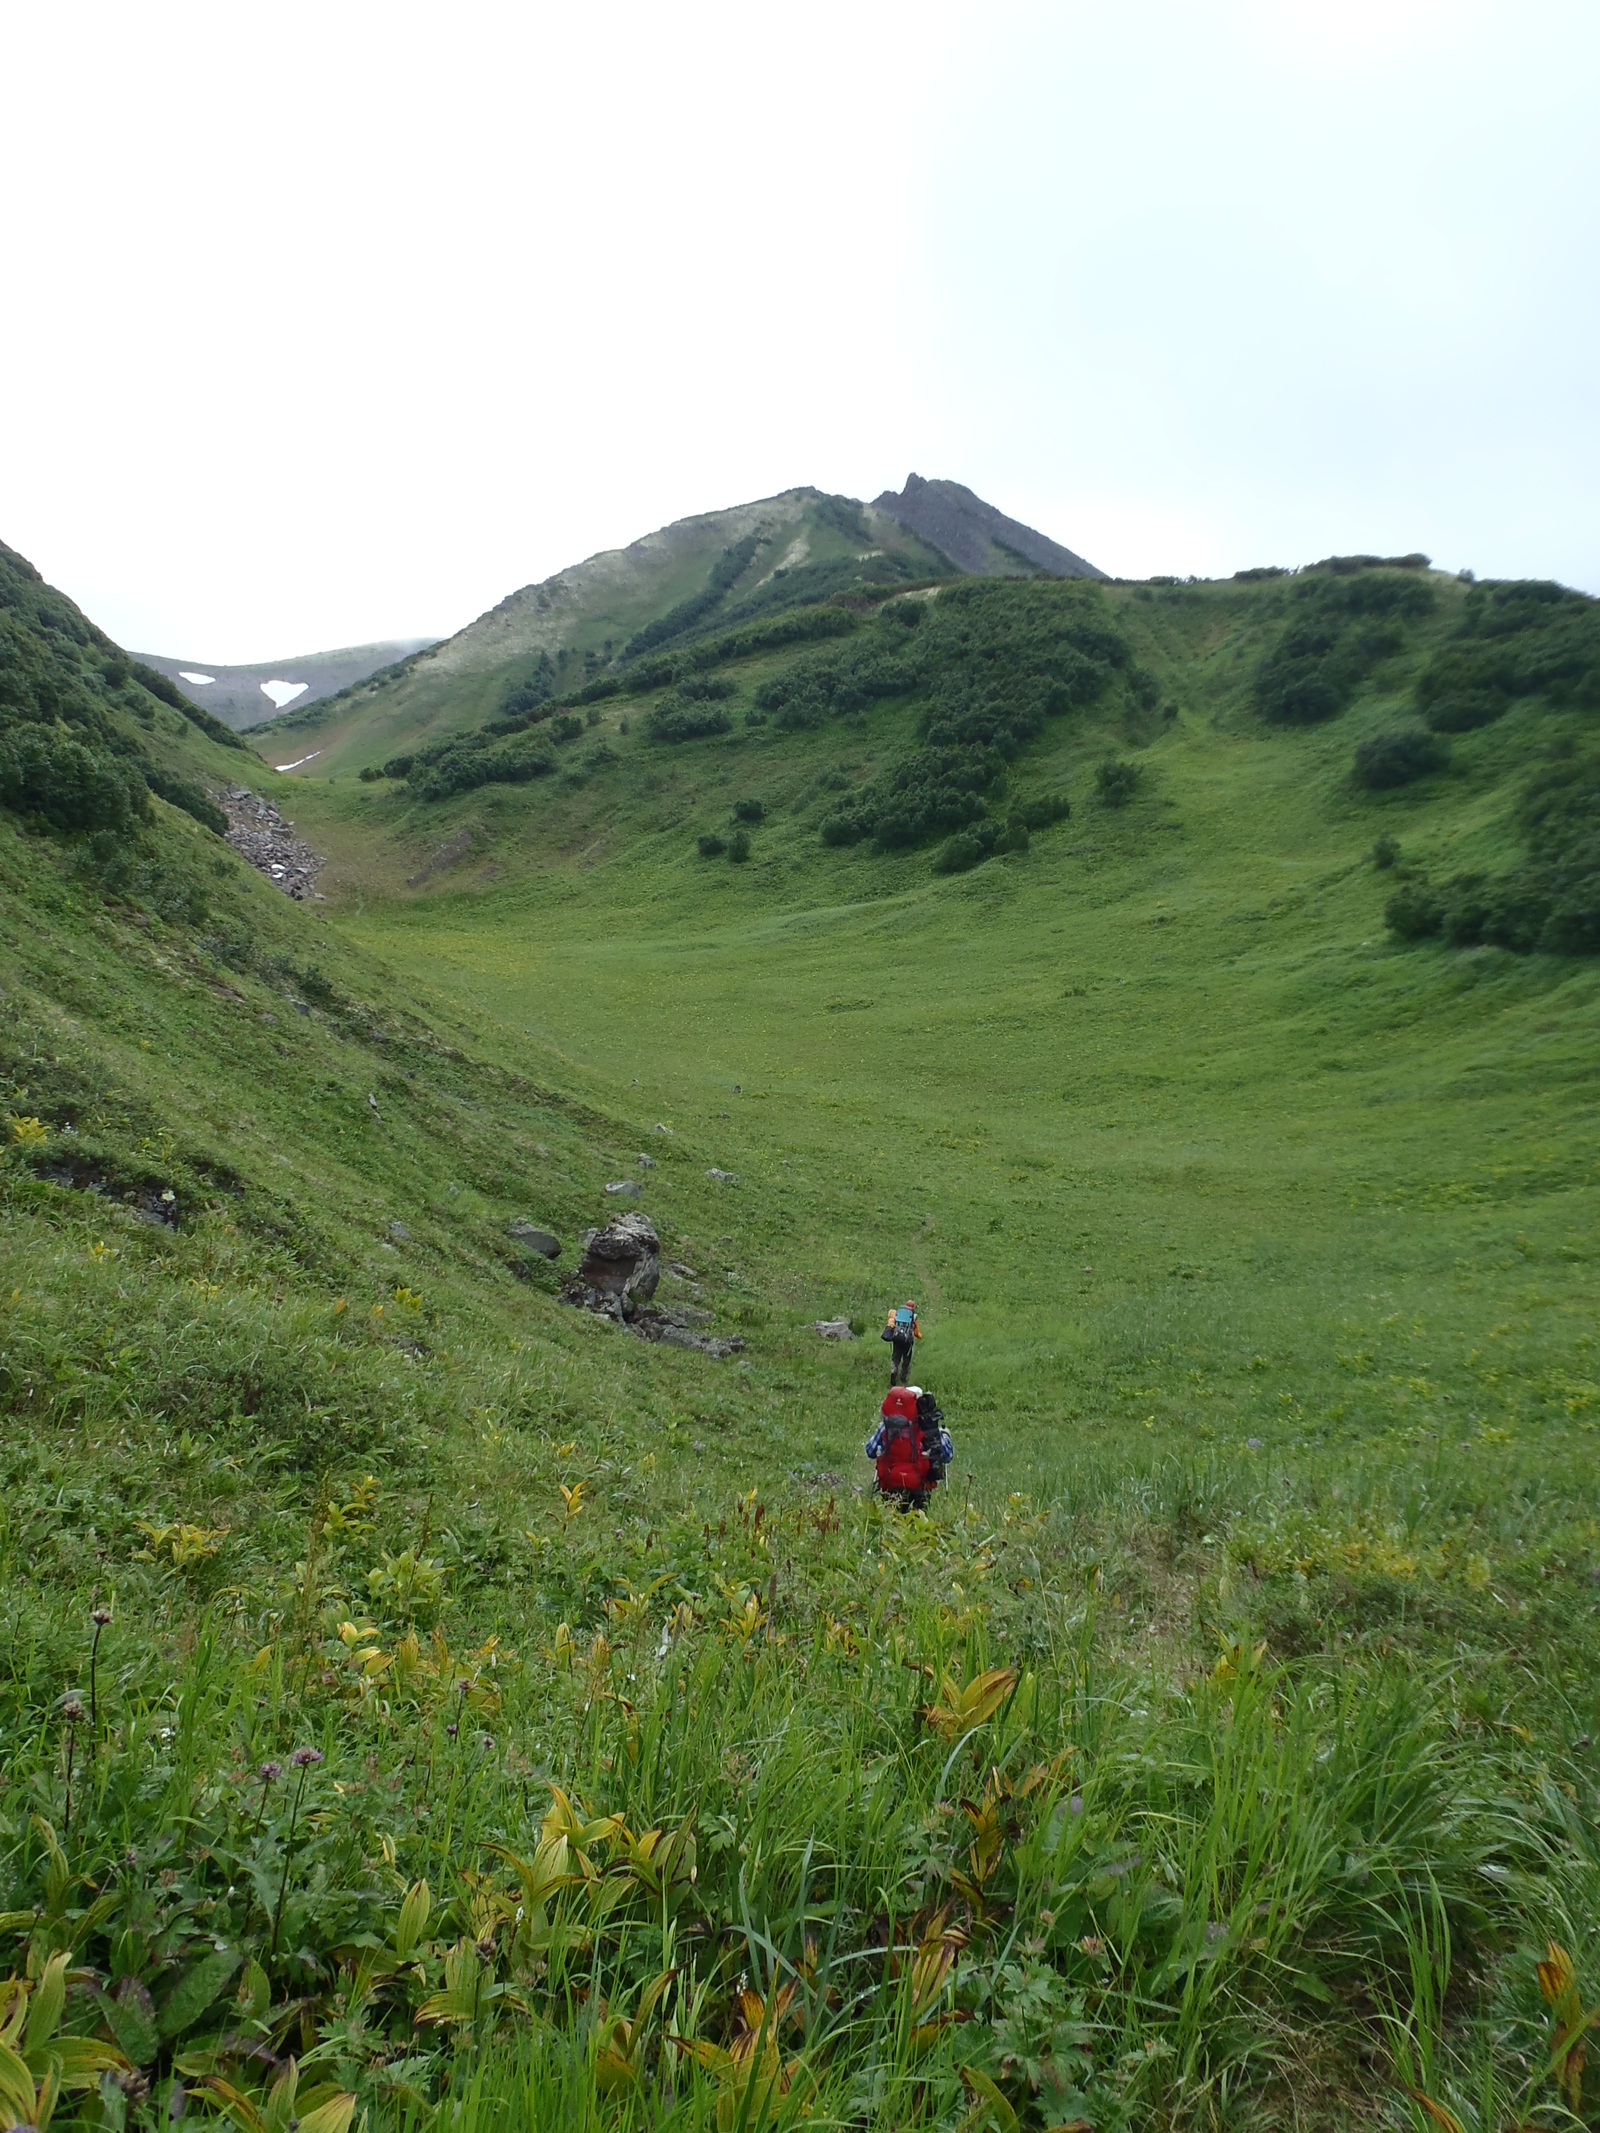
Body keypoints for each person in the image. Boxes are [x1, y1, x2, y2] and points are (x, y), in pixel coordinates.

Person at [865, 1383, 955, 1509]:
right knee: (918, 1523)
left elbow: (870, 1451)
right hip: (919, 1487)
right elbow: (947, 1456)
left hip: (890, 1485)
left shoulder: (886, 1426)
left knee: (892, 1522)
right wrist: (945, 1435)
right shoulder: (928, 1429)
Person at [882, 1297, 921, 1385]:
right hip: (907, 1341)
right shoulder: (913, 1316)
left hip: (897, 1338)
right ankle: (903, 1378)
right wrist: (919, 1336)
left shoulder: (897, 1314)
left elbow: (892, 1324)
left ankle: (893, 1370)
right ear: (913, 1308)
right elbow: (916, 1332)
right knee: (906, 1359)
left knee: (896, 1357)